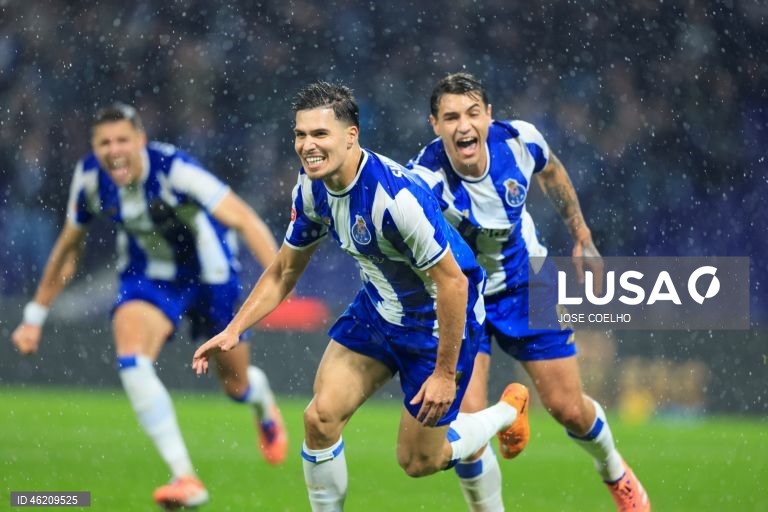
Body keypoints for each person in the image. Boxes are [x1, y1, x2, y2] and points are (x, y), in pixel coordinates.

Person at [191, 81, 530, 512]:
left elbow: (454, 284)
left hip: (436, 322)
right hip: (378, 310)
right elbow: (284, 270)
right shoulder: (311, 189)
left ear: (351, 135)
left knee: (419, 461)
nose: (307, 146)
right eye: (300, 135)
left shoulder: (395, 198)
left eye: (320, 135)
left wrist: (445, 374)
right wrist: (234, 329)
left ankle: (505, 412)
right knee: (319, 419)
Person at [10, 103, 289, 509]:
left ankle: (262, 404)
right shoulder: (88, 177)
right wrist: (34, 316)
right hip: (149, 277)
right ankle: (185, 477)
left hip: (211, 276)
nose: (114, 150)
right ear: (94, 147)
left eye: (123, 139)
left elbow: (244, 218)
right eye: (104, 142)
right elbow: (70, 249)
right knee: (132, 359)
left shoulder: (174, 169)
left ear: (140, 141)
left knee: (236, 386)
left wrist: (281, 279)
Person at [407, 72, 650, 512]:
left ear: (489, 116)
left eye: (473, 113)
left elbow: (552, 171)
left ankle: (615, 472)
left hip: (525, 284)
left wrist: (582, 236)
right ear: (434, 125)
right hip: (465, 297)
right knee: (465, 430)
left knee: (567, 408)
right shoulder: (423, 179)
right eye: (451, 117)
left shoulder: (521, 142)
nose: (464, 126)